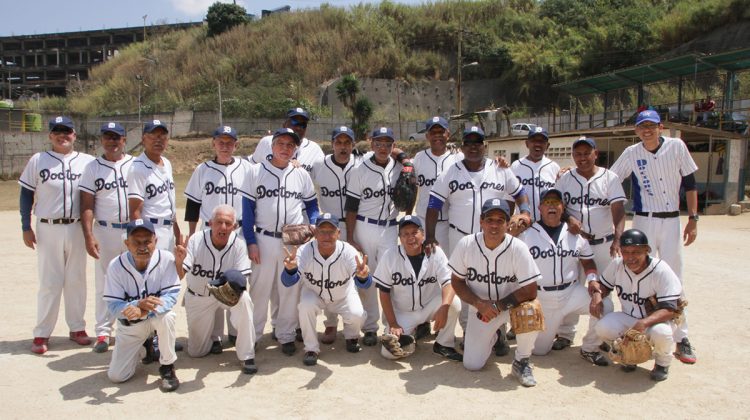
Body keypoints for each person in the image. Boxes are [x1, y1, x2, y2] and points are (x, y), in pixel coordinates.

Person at [426, 126, 531, 353]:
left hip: (494, 237)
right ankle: (468, 331)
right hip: (461, 237)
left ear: (485, 146)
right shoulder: (451, 172)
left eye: (478, 142)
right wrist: (431, 235)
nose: (473, 146)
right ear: (462, 147)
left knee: (498, 283)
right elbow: (433, 204)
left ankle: (499, 333)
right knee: (465, 285)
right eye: (469, 142)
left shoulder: (500, 169)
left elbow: (520, 192)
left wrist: (525, 212)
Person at [610, 109, 698, 364]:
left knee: (674, 277)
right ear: (636, 130)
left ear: (661, 127)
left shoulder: (676, 146)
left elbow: (691, 184)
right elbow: (612, 178)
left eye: (651, 125)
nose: (646, 130)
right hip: (644, 219)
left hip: (671, 218)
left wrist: (693, 219)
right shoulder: (632, 152)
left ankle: (681, 338)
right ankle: (638, 329)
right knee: (639, 273)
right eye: (641, 126)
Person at [240, 128, 320, 355]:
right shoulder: (255, 172)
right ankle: (253, 335)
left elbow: (312, 205)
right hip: (264, 238)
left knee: (289, 290)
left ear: (295, 149)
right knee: (259, 291)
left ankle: (285, 334)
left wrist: (313, 222)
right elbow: (247, 211)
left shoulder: (301, 174)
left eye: (290, 145)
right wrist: (250, 241)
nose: (285, 148)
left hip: (292, 240)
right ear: (272, 146)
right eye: (281, 144)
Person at [19, 116, 95, 354]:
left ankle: (77, 328)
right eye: (57, 131)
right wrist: (25, 226)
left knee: (76, 280)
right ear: (50, 135)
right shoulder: (38, 160)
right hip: (48, 226)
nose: (63, 136)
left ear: (75, 135)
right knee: (50, 282)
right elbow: (26, 194)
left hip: (76, 227)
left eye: (67, 131)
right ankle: (42, 333)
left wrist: (93, 232)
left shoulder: (87, 162)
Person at [449, 198, 541, 387]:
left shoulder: (518, 248)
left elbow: (531, 290)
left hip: (511, 306)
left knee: (531, 309)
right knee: (472, 365)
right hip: (481, 310)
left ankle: (522, 361)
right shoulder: (466, 244)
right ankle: (497, 335)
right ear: (481, 221)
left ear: (508, 224)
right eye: (490, 219)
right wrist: (478, 303)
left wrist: (499, 306)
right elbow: (456, 282)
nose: (494, 225)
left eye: (500, 220)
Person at [518, 189, 609, 365]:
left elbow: (588, 263)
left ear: (563, 207)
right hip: (542, 297)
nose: (551, 207)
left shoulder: (575, 234)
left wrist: (592, 282)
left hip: (571, 293)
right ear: (540, 207)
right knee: (539, 351)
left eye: (556, 203)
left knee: (605, 305)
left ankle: (590, 348)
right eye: (547, 203)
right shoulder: (526, 235)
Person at [552, 137, 626, 351]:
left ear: (596, 154)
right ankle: (566, 334)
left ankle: (598, 337)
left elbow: (618, 210)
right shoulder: (566, 179)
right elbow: (556, 205)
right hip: (576, 242)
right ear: (573, 156)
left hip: (604, 242)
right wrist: (568, 218)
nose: (582, 158)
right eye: (578, 154)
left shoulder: (609, 178)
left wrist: (618, 239)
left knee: (602, 290)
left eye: (586, 153)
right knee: (572, 288)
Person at [345, 127, 412, 347]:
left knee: (389, 278)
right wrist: (350, 237)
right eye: (378, 143)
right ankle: (370, 327)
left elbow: (411, 192)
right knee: (367, 277)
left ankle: (389, 326)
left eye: (388, 143)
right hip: (365, 226)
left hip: (390, 227)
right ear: (371, 144)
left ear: (393, 145)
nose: (383, 148)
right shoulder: (359, 169)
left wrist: (403, 158)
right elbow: (352, 207)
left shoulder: (399, 168)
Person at [184, 125, 250, 346]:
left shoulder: (246, 168)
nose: (225, 146)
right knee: (210, 283)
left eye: (229, 142)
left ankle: (235, 331)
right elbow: (193, 204)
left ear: (236, 145)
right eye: (220, 142)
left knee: (235, 282)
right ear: (213, 144)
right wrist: (191, 235)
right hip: (208, 232)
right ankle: (214, 336)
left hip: (237, 232)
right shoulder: (202, 170)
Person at [590, 229, 683, 381]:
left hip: (655, 321)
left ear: (647, 250)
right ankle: (627, 356)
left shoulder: (661, 270)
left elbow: (670, 309)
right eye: (625, 252)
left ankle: (662, 363)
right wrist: (597, 294)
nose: (630, 257)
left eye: (636, 252)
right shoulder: (617, 265)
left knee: (662, 333)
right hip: (628, 317)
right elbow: (604, 286)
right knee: (602, 327)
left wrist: (644, 323)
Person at [174, 205, 257, 374]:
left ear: (234, 227)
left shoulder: (239, 245)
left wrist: (228, 289)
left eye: (228, 223)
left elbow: (243, 281)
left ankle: (247, 355)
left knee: (245, 300)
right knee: (197, 353)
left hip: (226, 295)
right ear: (210, 223)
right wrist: (178, 261)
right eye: (219, 222)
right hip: (199, 296)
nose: (223, 227)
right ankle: (214, 336)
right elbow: (180, 275)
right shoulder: (196, 240)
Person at [280, 213, 370, 365]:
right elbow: (288, 281)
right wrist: (289, 269)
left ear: (338, 233)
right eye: (322, 231)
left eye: (331, 231)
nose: (326, 236)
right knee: (305, 306)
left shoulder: (348, 251)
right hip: (315, 294)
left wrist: (362, 276)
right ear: (315, 232)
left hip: (343, 295)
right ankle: (311, 348)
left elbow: (365, 284)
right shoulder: (305, 250)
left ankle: (351, 336)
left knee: (357, 314)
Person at [103, 219, 181, 392]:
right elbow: (114, 306)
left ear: (155, 241)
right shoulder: (116, 266)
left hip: (154, 319)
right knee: (117, 376)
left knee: (167, 317)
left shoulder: (166, 258)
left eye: (147, 241)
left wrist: (143, 310)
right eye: (136, 242)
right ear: (127, 243)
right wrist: (137, 304)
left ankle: (167, 367)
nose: (142, 246)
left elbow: (171, 296)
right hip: (131, 327)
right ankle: (147, 347)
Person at [374, 216, 461, 361]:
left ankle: (443, 343)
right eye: (405, 234)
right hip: (403, 314)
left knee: (454, 303)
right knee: (389, 353)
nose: (410, 238)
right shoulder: (390, 256)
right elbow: (383, 292)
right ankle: (411, 333)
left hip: (429, 307)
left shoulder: (435, 252)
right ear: (400, 238)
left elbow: (448, 283)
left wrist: (444, 308)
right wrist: (393, 323)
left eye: (414, 232)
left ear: (423, 234)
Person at [79, 121, 134, 353]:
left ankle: (133, 328)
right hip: (106, 229)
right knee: (105, 281)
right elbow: (86, 204)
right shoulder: (93, 167)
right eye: (108, 137)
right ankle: (103, 332)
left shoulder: (136, 164)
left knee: (135, 280)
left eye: (117, 137)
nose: (112, 141)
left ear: (124, 140)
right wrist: (89, 235)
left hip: (132, 230)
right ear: (101, 140)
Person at [312, 126, 359, 344]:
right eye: (339, 142)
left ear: (353, 145)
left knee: (357, 273)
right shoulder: (319, 165)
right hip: (328, 227)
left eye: (347, 143)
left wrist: (404, 158)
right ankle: (330, 324)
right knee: (328, 276)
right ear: (332, 144)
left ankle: (356, 326)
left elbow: (391, 152)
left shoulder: (361, 164)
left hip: (355, 223)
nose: (343, 147)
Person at [127, 119, 181, 251]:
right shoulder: (137, 168)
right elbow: (135, 210)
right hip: (151, 229)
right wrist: (142, 239)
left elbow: (170, 203)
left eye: (162, 136)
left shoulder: (166, 163)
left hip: (168, 229)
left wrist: (177, 232)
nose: (158, 140)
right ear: (143, 139)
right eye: (153, 136)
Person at [411, 116, 463, 249]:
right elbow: (409, 183)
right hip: (422, 222)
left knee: (446, 266)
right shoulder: (419, 158)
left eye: (441, 132)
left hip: (448, 223)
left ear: (448, 134)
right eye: (433, 132)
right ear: (427, 136)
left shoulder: (458, 157)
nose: (437, 136)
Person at [250, 107, 324, 174]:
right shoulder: (267, 142)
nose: (298, 128)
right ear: (284, 124)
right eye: (294, 122)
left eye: (303, 124)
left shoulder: (315, 150)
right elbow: (252, 167)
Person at [510, 127, 560, 222]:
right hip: (522, 224)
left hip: (547, 224)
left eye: (542, 141)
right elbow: (509, 198)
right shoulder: (516, 166)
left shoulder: (554, 167)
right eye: (533, 140)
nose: (537, 144)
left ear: (547, 145)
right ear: (527, 144)